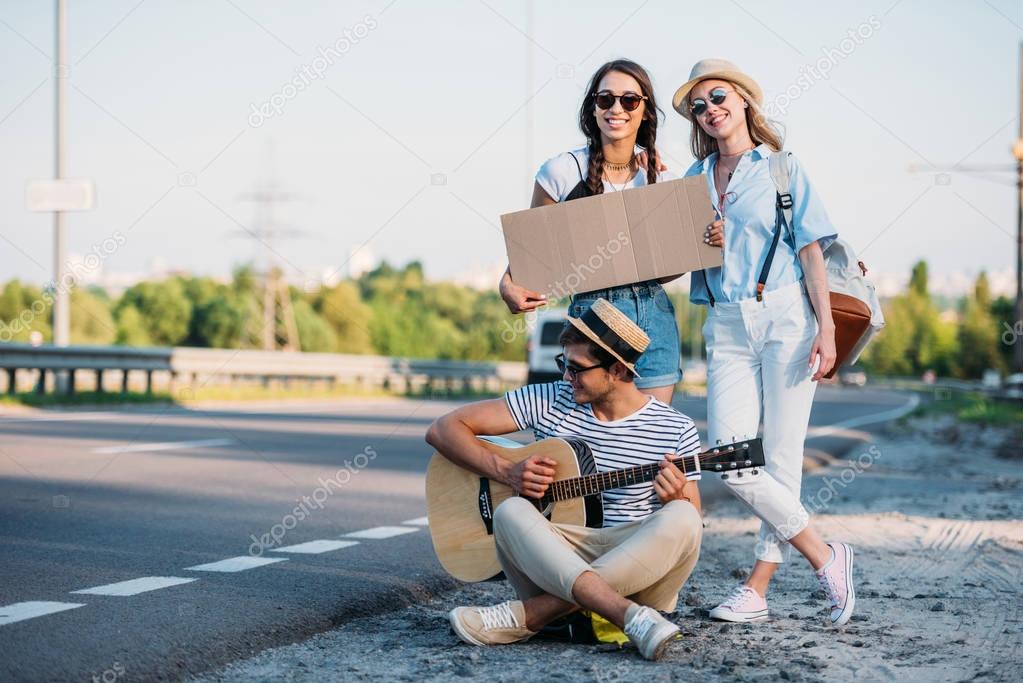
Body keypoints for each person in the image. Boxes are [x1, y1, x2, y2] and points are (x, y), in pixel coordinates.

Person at [673, 58, 854, 626]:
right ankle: (827, 555)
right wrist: (700, 242)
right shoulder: (690, 180)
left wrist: (826, 327)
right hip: (725, 323)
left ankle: (757, 587)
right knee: (729, 457)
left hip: (786, 318)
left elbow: (811, 251)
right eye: (698, 106)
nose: (710, 110)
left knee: (780, 457)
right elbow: (675, 261)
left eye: (718, 96)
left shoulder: (782, 169)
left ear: (744, 100)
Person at [425, 299, 704, 660]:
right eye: (564, 364)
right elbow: (442, 429)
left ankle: (535, 615)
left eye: (576, 368)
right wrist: (505, 471)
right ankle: (628, 618)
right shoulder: (551, 399)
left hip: (637, 568)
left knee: (684, 517)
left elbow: (691, 524)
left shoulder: (675, 428)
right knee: (510, 511)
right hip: (557, 559)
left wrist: (677, 497)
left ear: (617, 370)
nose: (565, 377)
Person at [498, 58, 725, 404]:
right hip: (592, 324)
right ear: (593, 108)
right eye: (606, 99)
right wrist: (507, 284)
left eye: (629, 100)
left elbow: (668, 270)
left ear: (645, 111)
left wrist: (703, 239)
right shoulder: (561, 171)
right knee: (593, 446)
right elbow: (533, 253)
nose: (616, 108)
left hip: (655, 321)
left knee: (648, 447)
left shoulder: (663, 178)